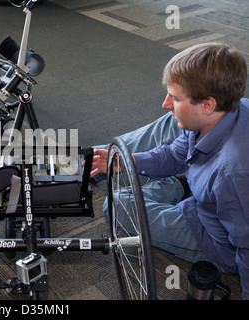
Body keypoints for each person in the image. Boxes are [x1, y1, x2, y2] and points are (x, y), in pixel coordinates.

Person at [91, 43, 248, 299]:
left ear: (207, 104)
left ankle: (178, 186)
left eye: (174, 97)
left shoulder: (233, 174)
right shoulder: (227, 108)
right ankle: (90, 160)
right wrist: (130, 160)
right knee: (171, 123)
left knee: (116, 204)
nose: (165, 103)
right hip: (212, 195)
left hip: (213, 238)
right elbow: (176, 153)